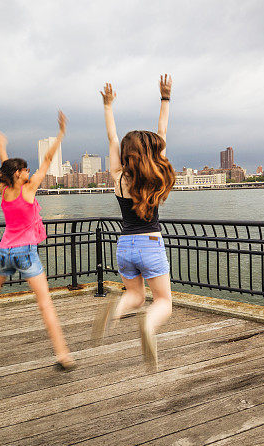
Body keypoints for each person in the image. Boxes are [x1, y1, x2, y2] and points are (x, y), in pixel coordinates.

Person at [0, 111, 75, 371]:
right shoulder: (29, 189)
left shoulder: (5, 188)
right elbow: (47, 159)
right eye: (26, 170)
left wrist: (1, 147)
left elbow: (7, 168)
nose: (30, 172)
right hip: (25, 252)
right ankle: (62, 354)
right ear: (21, 174)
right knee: (45, 303)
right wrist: (61, 134)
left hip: (5, 251)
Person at [92, 74, 175, 372]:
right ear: (153, 153)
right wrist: (165, 99)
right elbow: (161, 131)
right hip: (151, 242)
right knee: (162, 301)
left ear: (127, 155)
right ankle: (149, 328)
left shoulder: (119, 178)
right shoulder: (157, 176)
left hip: (124, 244)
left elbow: (112, 138)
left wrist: (108, 105)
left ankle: (116, 310)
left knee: (135, 296)